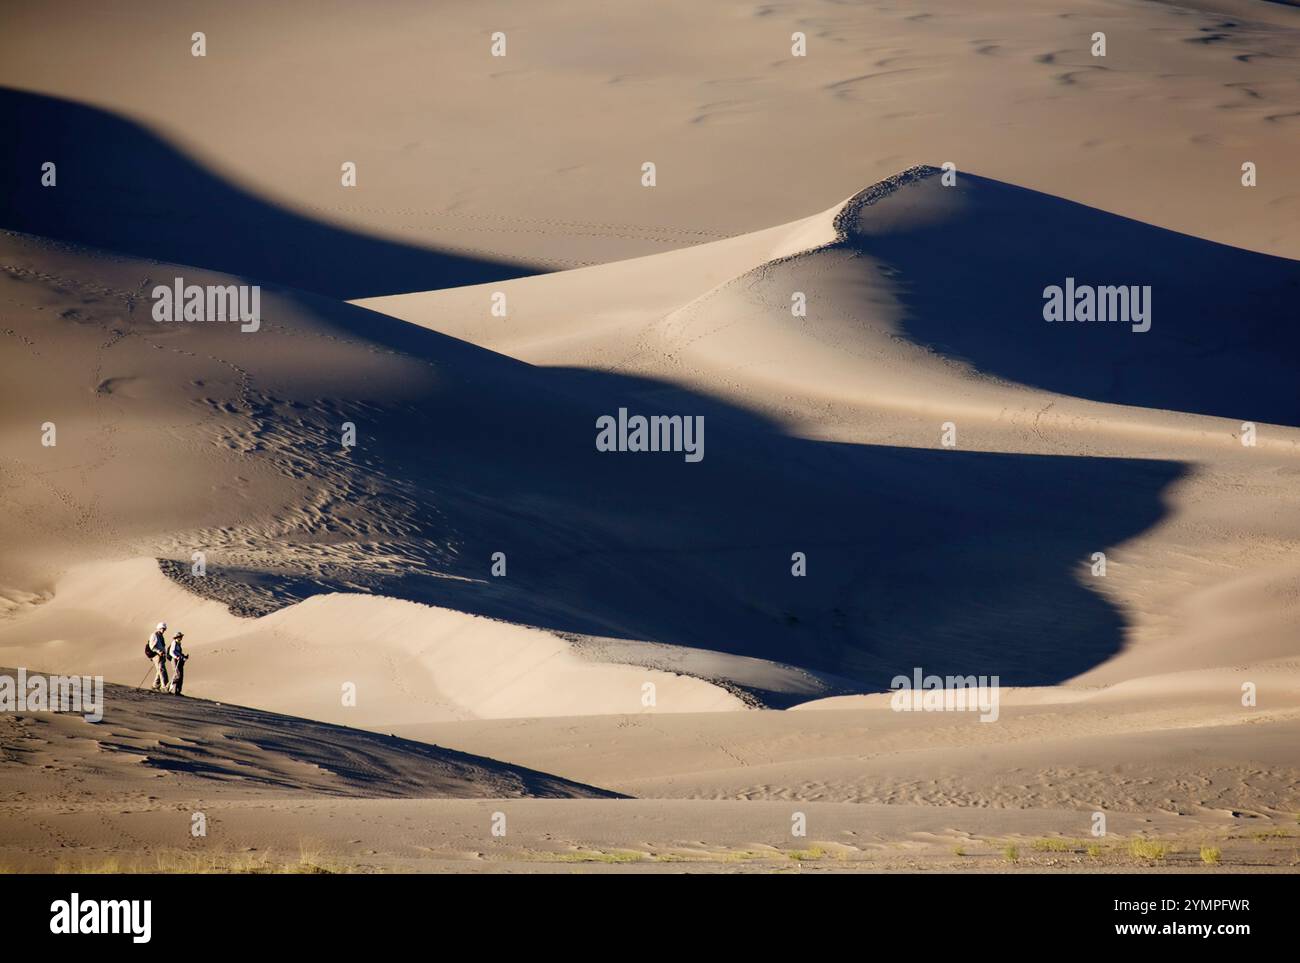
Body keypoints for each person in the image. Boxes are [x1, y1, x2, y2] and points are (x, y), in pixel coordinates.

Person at [146, 622, 169, 691]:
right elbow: (152, 646)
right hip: (156, 655)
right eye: (163, 628)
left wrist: (164, 653)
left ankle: (155, 685)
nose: (164, 630)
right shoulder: (154, 635)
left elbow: (162, 646)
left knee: (160, 670)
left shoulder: (161, 636)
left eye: (164, 629)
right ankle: (164, 686)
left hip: (161, 656)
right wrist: (159, 652)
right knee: (161, 670)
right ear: (159, 628)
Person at [168, 631, 188, 696]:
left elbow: (178, 652)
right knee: (177, 675)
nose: (181, 637)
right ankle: (167, 687)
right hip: (175, 660)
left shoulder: (178, 643)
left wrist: (183, 656)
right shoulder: (174, 643)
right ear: (177, 637)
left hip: (179, 660)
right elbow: (171, 652)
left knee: (181, 676)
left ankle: (178, 692)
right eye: (180, 636)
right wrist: (176, 657)